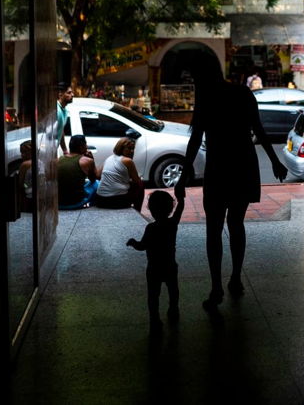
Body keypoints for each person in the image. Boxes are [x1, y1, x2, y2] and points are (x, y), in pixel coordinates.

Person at [175, 52, 287, 309]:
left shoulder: (207, 99)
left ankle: (216, 287)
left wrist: (183, 176)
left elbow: (195, 140)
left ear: (201, 76)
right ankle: (235, 277)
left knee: (213, 229)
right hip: (243, 165)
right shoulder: (242, 94)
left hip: (219, 167)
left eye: (195, 76)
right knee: (236, 223)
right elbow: (258, 129)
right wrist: (274, 160)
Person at [126, 190, 183, 333]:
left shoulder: (151, 228)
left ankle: (155, 318)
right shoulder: (172, 224)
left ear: (151, 209)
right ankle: (173, 309)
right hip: (170, 265)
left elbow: (142, 246)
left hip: (154, 268)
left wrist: (133, 243)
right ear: (170, 208)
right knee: (173, 290)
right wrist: (181, 197)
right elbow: (180, 209)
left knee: (153, 295)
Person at [92, 136, 145, 211]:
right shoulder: (128, 161)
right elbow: (137, 181)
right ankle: (137, 211)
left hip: (100, 199)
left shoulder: (109, 158)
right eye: (129, 148)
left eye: (133, 149)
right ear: (121, 148)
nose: (132, 151)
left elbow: (98, 176)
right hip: (117, 201)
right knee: (141, 185)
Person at [57, 135, 100, 209]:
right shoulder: (87, 161)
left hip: (59, 202)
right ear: (82, 147)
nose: (87, 146)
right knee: (97, 183)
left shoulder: (58, 160)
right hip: (76, 202)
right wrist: (92, 159)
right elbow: (94, 178)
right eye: (85, 144)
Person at [16, 141, 35, 214]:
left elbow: (21, 184)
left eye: (24, 152)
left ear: (30, 152)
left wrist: (26, 186)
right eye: (21, 152)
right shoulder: (39, 161)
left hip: (29, 196)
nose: (22, 155)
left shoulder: (25, 165)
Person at [57, 82, 74, 155]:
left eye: (72, 92)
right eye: (69, 93)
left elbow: (61, 131)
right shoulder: (57, 112)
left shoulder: (64, 110)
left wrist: (65, 150)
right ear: (60, 94)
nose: (72, 95)